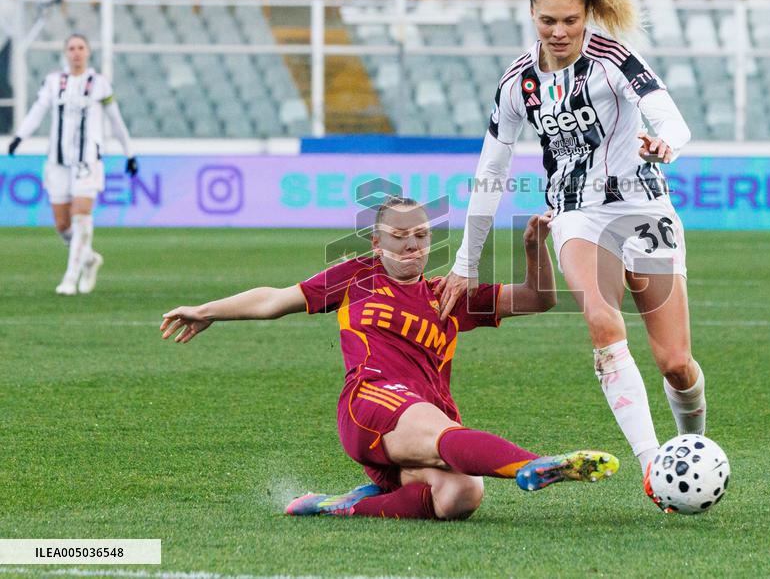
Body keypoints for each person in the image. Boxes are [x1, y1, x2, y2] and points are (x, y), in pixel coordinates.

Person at [435, 0, 706, 489]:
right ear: (531, 16)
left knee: (676, 362)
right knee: (602, 320)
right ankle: (655, 465)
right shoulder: (517, 83)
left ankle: (693, 443)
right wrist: (467, 261)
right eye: (547, 21)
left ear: (588, 14)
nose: (559, 32)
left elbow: (672, 121)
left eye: (570, 20)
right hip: (577, 211)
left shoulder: (614, 60)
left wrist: (665, 146)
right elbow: (491, 171)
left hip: (644, 205)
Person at [160, 197, 619, 520]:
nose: (411, 246)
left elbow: (538, 299)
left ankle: (341, 505)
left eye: (420, 235)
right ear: (377, 243)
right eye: (399, 237)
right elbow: (274, 300)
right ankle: (532, 466)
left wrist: (534, 247)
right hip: (369, 403)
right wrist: (207, 311)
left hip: (420, 424)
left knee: (461, 494)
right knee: (443, 433)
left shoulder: (448, 294)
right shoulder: (357, 276)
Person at [7, 33, 138, 295]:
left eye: (81, 47)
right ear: (65, 53)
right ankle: (89, 260)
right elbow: (38, 110)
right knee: (62, 225)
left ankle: (70, 277)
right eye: (71, 48)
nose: (76, 52)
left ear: (88, 52)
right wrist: (19, 136)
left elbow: (116, 121)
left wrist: (129, 153)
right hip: (57, 160)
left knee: (81, 216)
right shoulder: (54, 82)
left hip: (88, 160)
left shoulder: (99, 84)